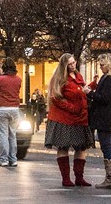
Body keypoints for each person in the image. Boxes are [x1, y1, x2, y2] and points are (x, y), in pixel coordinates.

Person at [43, 53, 90, 187]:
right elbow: (55, 98)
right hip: (63, 118)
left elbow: (80, 92)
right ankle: (66, 178)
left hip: (80, 118)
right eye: (70, 64)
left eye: (74, 62)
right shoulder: (59, 78)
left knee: (81, 147)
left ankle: (79, 177)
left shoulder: (78, 76)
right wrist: (72, 107)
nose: (73, 65)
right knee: (63, 147)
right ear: (64, 65)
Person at [87, 53, 111, 189]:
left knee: (106, 146)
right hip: (104, 116)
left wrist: (90, 93)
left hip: (105, 117)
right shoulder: (107, 78)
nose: (100, 67)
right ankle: (110, 178)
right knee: (106, 145)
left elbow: (104, 98)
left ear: (109, 65)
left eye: (102, 65)